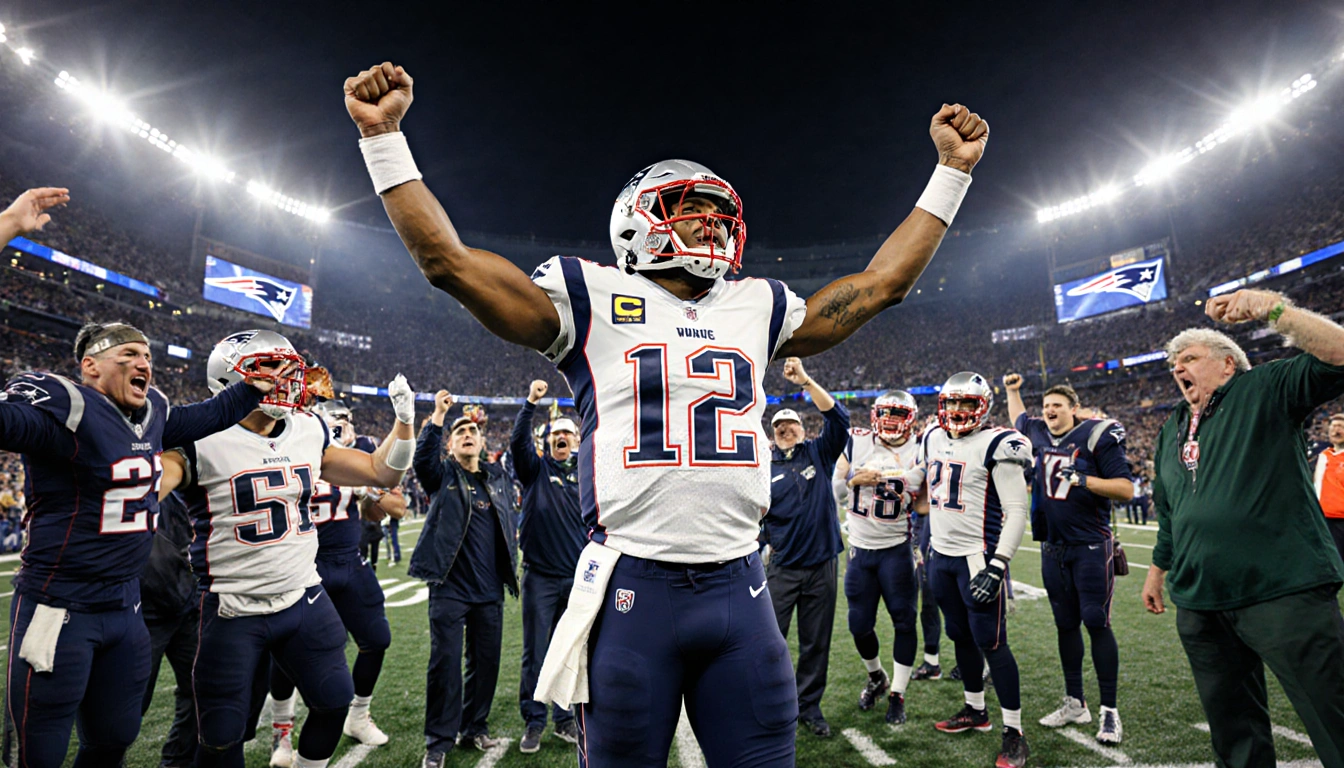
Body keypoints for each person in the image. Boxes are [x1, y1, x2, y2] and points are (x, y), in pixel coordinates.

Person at [344, 59, 986, 767]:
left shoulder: (758, 304)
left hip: (742, 587)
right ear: (638, 221)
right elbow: (449, 263)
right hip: (630, 590)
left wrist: (951, 172)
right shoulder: (587, 294)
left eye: (719, 212)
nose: (713, 222)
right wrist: (384, 139)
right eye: (692, 207)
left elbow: (883, 285)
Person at [0, 320, 273, 768]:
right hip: (58, 606)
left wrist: (251, 388)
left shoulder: (153, 415)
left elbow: (208, 416)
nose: (142, 362)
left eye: (145, 356)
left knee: (114, 738)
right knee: (40, 751)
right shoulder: (64, 410)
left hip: (127, 607)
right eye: (127, 355)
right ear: (90, 366)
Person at [162, 330, 415, 768]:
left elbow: (381, 473)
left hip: (303, 596)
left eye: (289, 370)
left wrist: (404, 423)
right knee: (222, 737)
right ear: (228, 380)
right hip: (231, 607)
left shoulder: (307, 427)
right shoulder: (197, 438)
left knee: (334, 703)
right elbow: (144, 485)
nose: (285, 380)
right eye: (269, 371)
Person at [1142, 288, 1344, 768]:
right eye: (1174, 364)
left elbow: (1339, 356)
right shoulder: (1173, 426)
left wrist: (1274, 311)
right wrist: (1157, 569)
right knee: (1234, 736)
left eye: (1189, 358)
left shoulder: (1266, 388)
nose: (1178, 369)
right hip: (1201, 601)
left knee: (1334, 714)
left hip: (1281, 589)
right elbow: (1171, 508)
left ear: (1228, 364)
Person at [265, 399, 406, 767]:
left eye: (346, 419)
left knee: (377, 638)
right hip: (307, 565)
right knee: (289, 654)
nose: (342, 424)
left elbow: (394, 507)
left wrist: (370, 488)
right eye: (335, 419)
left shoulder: (355, 456)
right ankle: (282, 731)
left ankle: (358, 716)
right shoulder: (296, 450)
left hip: (349, 560)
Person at [1004, 375, 1132, 744]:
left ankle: (1110, 711)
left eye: (1057, 406)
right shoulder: (1038, 432)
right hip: (1053, 546)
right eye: (1046, 407)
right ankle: (1076, 702)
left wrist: (1085, 480)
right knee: (1065, 624)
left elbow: (1125, 488)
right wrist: (1013, 391)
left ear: (1074, 409)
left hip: (1090, 545)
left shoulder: (1096, 436)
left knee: (1095, 621)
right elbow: (1020, 421)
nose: (1050, 411)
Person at [918, 372, 1031, 768]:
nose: (958, 411)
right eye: (952, 403)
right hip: (940, 556)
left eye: (967, 403)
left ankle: (1014, 732)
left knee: (992, 642)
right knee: (958, 636)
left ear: (983, 405)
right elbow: (926, 480)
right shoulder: (931, 436)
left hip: (976, 559)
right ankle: (975, 710)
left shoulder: (999, 443)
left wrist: (998, 566)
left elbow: (1017, 509)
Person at [412, 391, 521, 765]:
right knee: (445, 663)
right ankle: (438, 740)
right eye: (460, 432)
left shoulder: (498, 478)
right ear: (451, 445)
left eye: (473, 430)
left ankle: (474, 726)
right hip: (449, 586)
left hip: (489, 588)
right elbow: (422, 460)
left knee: (486, 661)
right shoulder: (442, 475)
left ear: (483, 441)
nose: (467, 433)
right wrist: (439, 417)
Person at [760, 358, 849, 737]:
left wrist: (807, 381)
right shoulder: (763, 467)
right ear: (773, 433)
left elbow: (840, 421)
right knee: (769, 642)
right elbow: (758, 521)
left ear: (803, 427)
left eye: (791, 425)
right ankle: (770, 705)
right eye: (779, 427)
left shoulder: (819, 453)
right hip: (782, 567)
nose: (786, 431)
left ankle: (809, 707)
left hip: (821, 566)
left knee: (816, 643)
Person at [831, 389, 923, 726]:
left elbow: (927, 499)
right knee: (858, 624)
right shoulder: (856, 441)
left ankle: (897, 693)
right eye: (885, 413)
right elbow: (835, 490)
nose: (890, 421)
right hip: (861, 550)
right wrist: (854, 479)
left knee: (903, 620)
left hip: (896, 550)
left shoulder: (921, 449)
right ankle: (876, 677)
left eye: (898, 414)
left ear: (910, 419)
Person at [512, 380, 586, 753]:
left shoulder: (588, 476)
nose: (561, 438)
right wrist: (530, 405)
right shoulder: (536, 471)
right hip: (540, 577)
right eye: (555, 433)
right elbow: (516, 445)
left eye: (567, 434)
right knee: (536, 653)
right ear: (547, 440)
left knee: (570, 653)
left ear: (576, 440)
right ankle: (534, 720)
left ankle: (564, 718)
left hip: (576, 580)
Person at [139, 489, 201, 768]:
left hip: (189, 604)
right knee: (127, 704)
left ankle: (178, 762)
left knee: (200, 690)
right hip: (144, 610)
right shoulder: (154, 473)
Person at [1313, 413, 1344, 562]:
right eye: (1333, 427)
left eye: (1341, 427)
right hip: (1324, 518)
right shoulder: (1323, 456)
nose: (1336, 431)